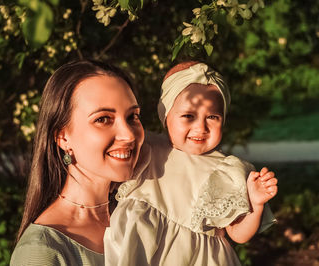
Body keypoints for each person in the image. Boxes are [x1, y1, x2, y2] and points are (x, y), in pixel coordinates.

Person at [104, 61, 278, 265]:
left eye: (213, 117)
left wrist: (256, 205)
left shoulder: (226, 171)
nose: (201, 127)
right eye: (188, 116)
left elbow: (238, 235)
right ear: (165, 116)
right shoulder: (146, 149)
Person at [10, 60, 144, 266]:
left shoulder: (141, 218)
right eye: (103, 119)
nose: (128, 135)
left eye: (132, 116)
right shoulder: (41, 252)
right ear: (62, 137)